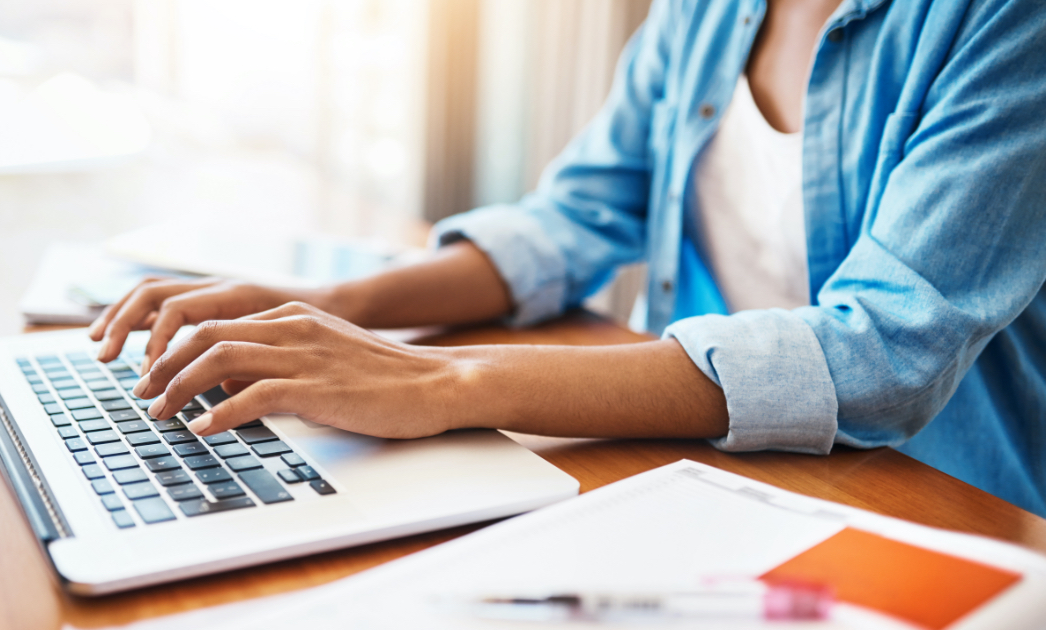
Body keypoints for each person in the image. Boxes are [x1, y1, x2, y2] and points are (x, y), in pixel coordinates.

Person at [90, 0, 1046, 516]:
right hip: (718, 474)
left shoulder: (1009, 22)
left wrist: (445, 381)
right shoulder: (706, 13)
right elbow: (577, 216)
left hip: (941, 504)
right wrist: (334, 307)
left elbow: (881, 354)